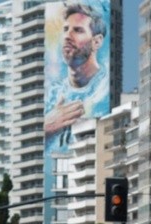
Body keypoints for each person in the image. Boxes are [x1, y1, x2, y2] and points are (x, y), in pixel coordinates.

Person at [44, 1, 110, 153]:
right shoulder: (52, 93)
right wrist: (47, 127)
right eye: (65, 29)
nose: (67, 36)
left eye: (78, 30)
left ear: (97, 41)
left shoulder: (103, 91)